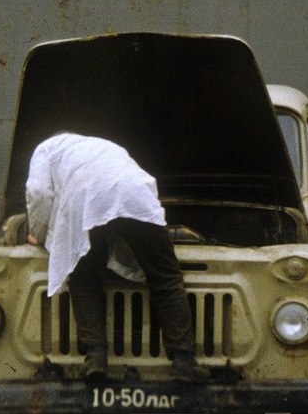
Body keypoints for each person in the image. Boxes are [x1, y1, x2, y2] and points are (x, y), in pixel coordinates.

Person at [25, 133, 210, 384]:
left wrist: (37, 232)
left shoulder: (46, 149)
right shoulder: (106, 146)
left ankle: (96, 358)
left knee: (84, 277)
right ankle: (184, 360)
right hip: (136, 195)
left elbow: (37, 191)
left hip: (85, 198)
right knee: (165, 276)